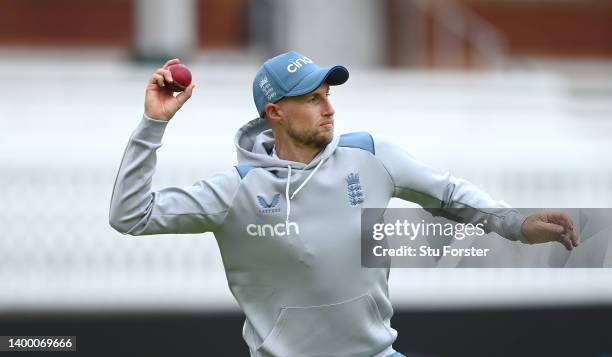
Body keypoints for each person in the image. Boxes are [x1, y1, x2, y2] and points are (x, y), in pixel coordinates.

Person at [109, 51, 580, 357]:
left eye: (328, 96)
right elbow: (131, 215)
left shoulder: (370, 154)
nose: (329, 108)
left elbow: (451, 193)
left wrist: (518, 224)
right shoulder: (235, 189)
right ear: (275, 113)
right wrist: (153, 125)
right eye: (312, 99)